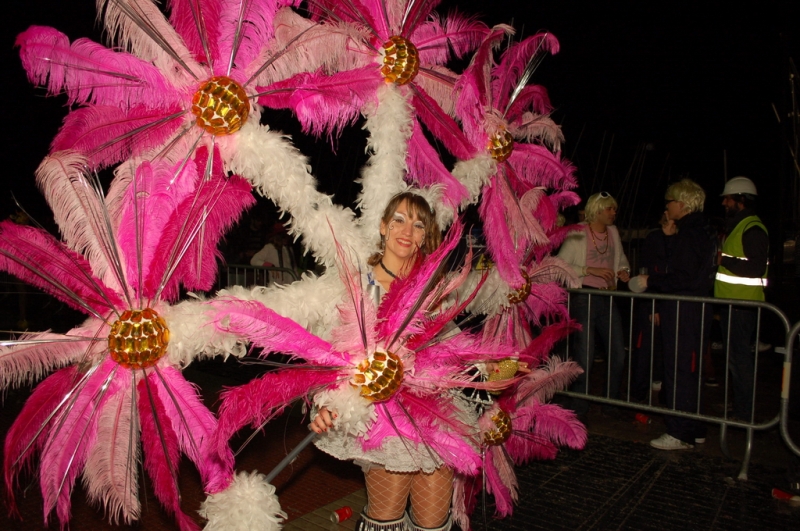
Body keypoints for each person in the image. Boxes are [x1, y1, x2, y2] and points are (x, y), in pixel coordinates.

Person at [310, 192, 453, 531]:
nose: (407, 231)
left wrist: (487, 364)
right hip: (383, 415)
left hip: (434, 410)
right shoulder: (362, 286)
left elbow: (448, 339)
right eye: (399, 220)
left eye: (418, 225)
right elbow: (331, 353)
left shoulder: (431, 287)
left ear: (425, 237)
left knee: (434, 520)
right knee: (386, 517)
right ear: (384, 227)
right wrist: (327, 402)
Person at [631, 179, 716, 450]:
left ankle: (680, 432)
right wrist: (669, 240)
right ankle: (694, 428)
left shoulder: (690, 233)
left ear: (681, 203)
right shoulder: (701, 230)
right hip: (694, 308)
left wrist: (651, 280)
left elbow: (682, 276)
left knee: (679, 370)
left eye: (669, 202)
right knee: (691, 369)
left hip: (684, 310)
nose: (667, 208)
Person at [557, 192, 631, 419]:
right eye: (609, 208)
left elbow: (621, 259)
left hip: (607, 296)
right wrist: (588, 270)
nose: (613, 212)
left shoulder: (613, 232)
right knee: (585, 355)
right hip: (584, 297)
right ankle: (580, 406)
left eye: (614, 208)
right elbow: (559, 266)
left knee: (618, 353)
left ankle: (610, 402)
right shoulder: (578, 233)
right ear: (597, 210)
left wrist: (624, 270)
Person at [715, 176, 769, 422]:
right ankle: (740, 406)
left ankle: (744, 412)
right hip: (733, 304)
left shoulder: (752, 228)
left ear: (740, 200)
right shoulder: (739, 226)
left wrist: (723, 260)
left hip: (742, 306)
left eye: (728, 199)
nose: (724, 203)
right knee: (735, 359)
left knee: (740, 360)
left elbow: (756, 267)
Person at [630, 214, 675, 401]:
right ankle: (637, 395)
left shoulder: (681, 239)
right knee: (644, 350)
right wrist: (651, 306)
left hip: (671, 304)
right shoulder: (654, 238)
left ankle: (665, 393)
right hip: (652, 303)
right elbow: (645, 271)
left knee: (667, 351)